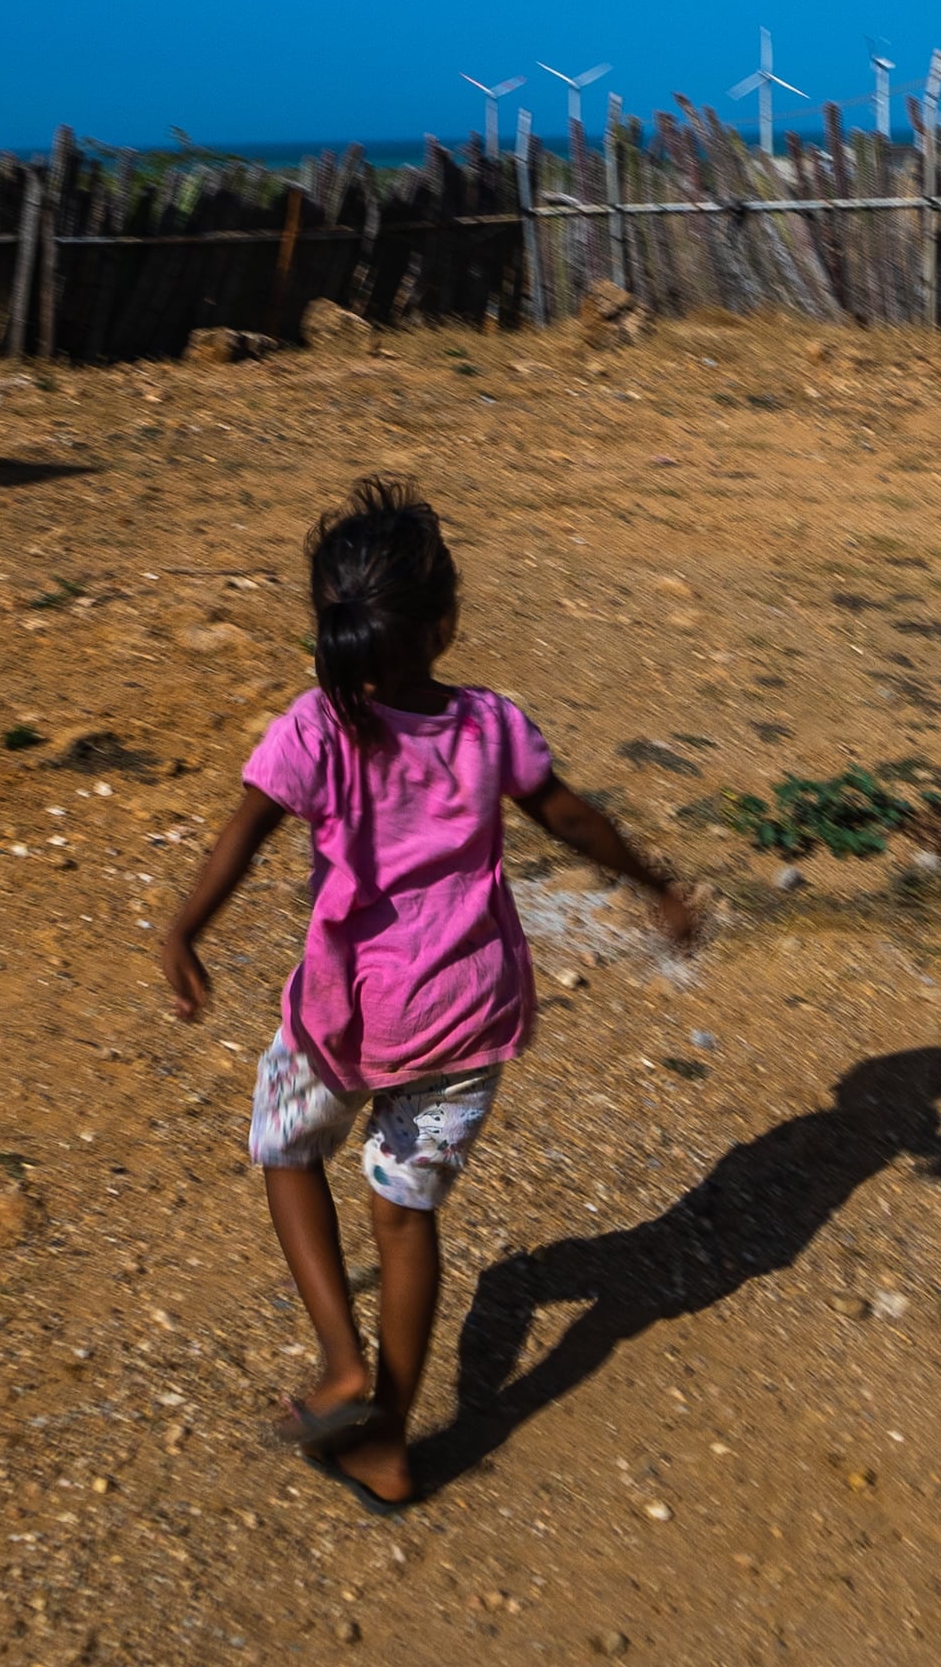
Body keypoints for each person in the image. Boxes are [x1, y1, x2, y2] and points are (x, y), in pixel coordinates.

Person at [154, 477, 699, 1512]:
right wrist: (655, 883)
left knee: (284, 1145)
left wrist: (183, 929)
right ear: (445, 624)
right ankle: (389, 1442)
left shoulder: (315, 728)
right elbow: (569, 816)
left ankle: (340, 1363)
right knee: (405, 1217)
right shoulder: (489, 724)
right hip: (468, 1014)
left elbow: (241, 830)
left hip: (352, 1013)